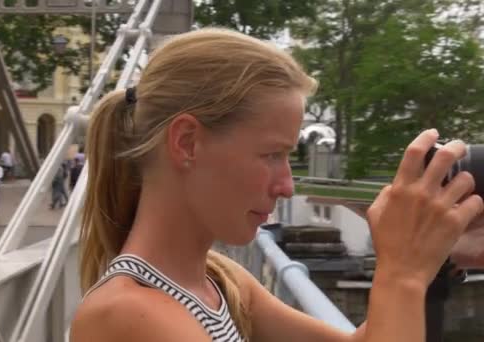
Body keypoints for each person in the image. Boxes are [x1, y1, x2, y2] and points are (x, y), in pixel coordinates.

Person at [70, 28, 484, 342]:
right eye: (271, 155)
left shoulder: (217, 279)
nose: (286, 186)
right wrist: (402, 275)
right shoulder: (128, 314)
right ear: (187, 143)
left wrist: (429, 263)